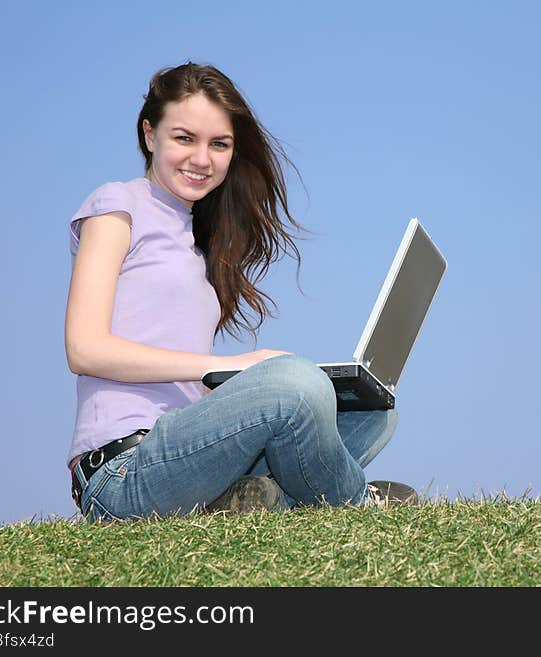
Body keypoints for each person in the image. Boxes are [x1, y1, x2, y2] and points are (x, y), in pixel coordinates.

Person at [65, 62, 417, 522]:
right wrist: (229, 367)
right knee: (296, 384)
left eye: (219, 144)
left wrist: (235, 385)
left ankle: (237, 504)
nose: (202, 159)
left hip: (188, 451)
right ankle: (354, 502)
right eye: (184, 138)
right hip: (124, 471)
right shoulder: (115, 207)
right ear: (150, 135)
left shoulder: (197, 244)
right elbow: (84, 349)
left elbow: (179, 386)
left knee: (370, 412)